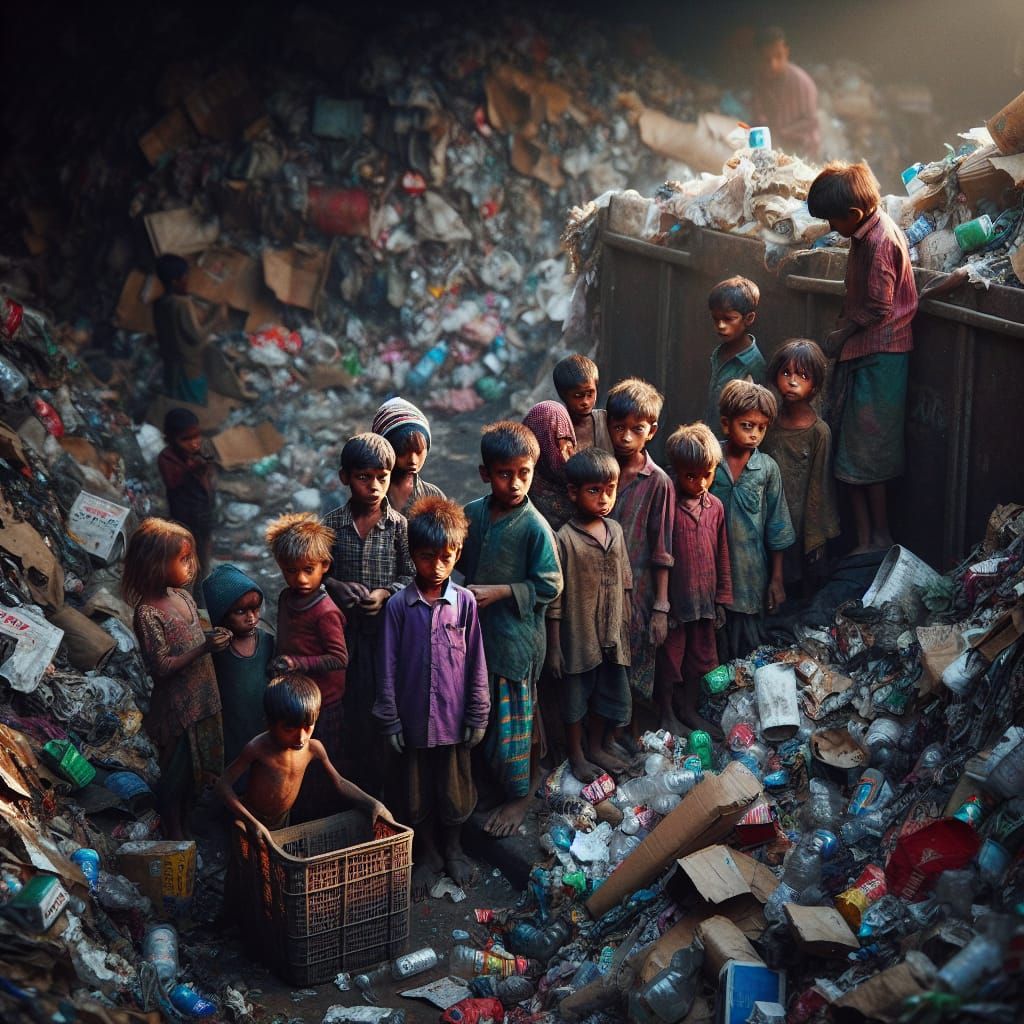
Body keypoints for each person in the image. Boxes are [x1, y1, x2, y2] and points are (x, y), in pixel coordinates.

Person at [374, 497, 489, 897]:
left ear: (457, 554)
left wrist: (478, 713)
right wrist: (389, 718)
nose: (437, 566)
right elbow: (386, 666)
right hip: (413, 722)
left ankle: (454, 849)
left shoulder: (466, 604)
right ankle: (428, 854)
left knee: (456, 791)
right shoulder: (397, 607)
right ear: (412, 556)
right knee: (415, 792)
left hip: (454, 720)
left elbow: (476, 661)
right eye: (427, 557)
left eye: (447, 557)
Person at [807, 161, 918, 555]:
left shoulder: (879, 240)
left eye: (833, 221)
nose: (831, 229)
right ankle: (865, 538)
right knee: (852, 448)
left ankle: (878, 539)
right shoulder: (864, 233)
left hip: (881, 355)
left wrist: (842, 333)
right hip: (866, 353)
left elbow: (877, 306)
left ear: (853, 215)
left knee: (869, 454)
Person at [459, 422, 562, 837]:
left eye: (524, 473)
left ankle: (522, 793)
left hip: (517, 643)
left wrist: (501, 591)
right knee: (482, 723)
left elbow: (551, 584)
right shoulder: (473, 514)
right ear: (485, 473)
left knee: (514, 726)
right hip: (477, 640)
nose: (516, 483)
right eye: (505, 474)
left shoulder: (534, 526)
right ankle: (492, 788)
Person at [321, 433, 414, 796]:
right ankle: (349, 785)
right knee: (349, 706)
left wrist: (384, 593)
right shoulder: (331, 525)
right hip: (342, 635)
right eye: (364, 477)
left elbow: (410, 576)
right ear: (345, 477)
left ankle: (384, 786)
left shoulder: (399, 528)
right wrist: (335, 586)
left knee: (385, 702)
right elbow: (316, 571)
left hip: (387, 636)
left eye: (382, 477)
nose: (374, 487)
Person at [124, 517, 227, 841]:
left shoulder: (182, 597)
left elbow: (193, 636)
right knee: (175, 778)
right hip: (178, 710)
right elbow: (162, 666)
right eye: (183, 560)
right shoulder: (148, 613)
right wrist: (203, 647)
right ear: (156, 565)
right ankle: (175, 833)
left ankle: (188, 823)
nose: (192, 566)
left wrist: (213, 639)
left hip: (205, 698)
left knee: (200, 774)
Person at [216, 673, 393, 841]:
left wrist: (374, 804)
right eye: (289, 729)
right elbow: (223, 785)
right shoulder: (257, 748)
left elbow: (339, 782)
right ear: (269, 723)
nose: (301, 738)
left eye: (308, 726)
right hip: (249, 819)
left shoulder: (313, 749)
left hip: (283, 821)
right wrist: (251, 822)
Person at [545, 448, 633, 781]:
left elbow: (625, 580)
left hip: (612, 631)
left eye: (609, 489)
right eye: (593, 490)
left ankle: (597, 746)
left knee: (607, 691)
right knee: (575, 697)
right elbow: (555, 596)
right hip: (578, 636)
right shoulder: (564, 538)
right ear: (573, 492)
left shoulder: (616, 531)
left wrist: (625, 623)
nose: (603, 498)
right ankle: (577, 754)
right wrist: (555, 647)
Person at [265, 512, 349, 815]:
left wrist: (297, 662)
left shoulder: (325, 611)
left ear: (324, 567)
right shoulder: (288, 598)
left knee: (322, 765)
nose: (300, 579)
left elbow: (340, 658)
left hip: (324, 705)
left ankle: (324, 817)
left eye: (308, 570)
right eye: (291, 570)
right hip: (296, 698)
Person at [605, 378, 674, 741]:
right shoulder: (600, 474)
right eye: (619, 428)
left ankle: (629, 736)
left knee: (633, 665)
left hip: (641, 593)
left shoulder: (658, 481)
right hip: (599, 589)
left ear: (652, 431)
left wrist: (661, 607)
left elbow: (662, 548)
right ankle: (604, 740)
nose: (626, 437)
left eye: (637, 429)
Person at [657, 423, 732, 740]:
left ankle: (688, 709)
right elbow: (658, 554)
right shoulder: (667, 503)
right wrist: (661, 607)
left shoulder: (715, 507)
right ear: (676, 470)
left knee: (698, 662)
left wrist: (721, 600)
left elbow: (722, 553)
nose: (700, 483)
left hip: (704, 604)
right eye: (691, 476)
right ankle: (665, 714)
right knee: (669, 663)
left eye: (708, 474)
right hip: (676, 606)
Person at [711, 380, 795, 660]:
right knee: (711, 644)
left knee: (748, 650)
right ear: (726, 424)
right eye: (747, 426)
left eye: (761, 427)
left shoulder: (767, 469)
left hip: (750, 576)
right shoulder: (708, 460)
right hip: (709, 573)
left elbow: (777, 526)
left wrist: (777, 579)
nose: (755, 434)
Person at [761, 339, 840, 595]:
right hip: (767, 515)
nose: (792, 381)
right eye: (786, 373)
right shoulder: (767, 422)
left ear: (815, 385)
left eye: (802, 376)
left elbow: (821, 488)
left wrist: (816, 537)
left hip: (800, 520)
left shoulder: (819, 432)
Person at [201, 564, 275, 768]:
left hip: (261, 720)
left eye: (256, 609)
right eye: (241, 611)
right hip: (231, 725)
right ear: (222, 615)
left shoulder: (268, 642)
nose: (251, 618)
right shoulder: (217, 649)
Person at [152, 254, 230, 405]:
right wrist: (216, 318)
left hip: (170, 367)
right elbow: (195, 336)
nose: (188, 279)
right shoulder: (182, 304)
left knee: (173, 406)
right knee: (191, 408)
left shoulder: (160, 303)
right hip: (187, 368)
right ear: (175, 281)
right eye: (185, 276)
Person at [157, 408, 216, 591]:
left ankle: (201, 589)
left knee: (204, 554)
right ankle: (187, 593)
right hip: (185, 517)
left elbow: (209, 475)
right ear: (170, 439)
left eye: (196, 437)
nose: (194, 443)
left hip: (203, 512)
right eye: (186, 439)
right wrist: (190, 468)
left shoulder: (199, 451)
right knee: (187, 558)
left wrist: (203, 467)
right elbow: (172, 481)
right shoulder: (167, 458)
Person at [705, 277, 767, 433]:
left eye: (728, 319)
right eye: (716, 319)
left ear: (749, 319)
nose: (720, 325)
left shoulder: (754, 364)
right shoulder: (719, 352)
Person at [751, 25, 821, 160]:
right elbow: (758, 113)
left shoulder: (802, 83)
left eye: (778, 56)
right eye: (767, 60)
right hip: (775, 149)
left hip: (803, 151)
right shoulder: (760, 80)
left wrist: (782, 133)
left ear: (786, 52)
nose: (773, 65)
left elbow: (812, 122)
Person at [371, 396, 445, 514]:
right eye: (402, 452)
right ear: (385, 451)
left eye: (419, 451)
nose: (413, 460)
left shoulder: (433, 496)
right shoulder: (370, 496)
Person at [522, 401, 577, 531]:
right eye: (555, 443)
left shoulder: (582, 473)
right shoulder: (523, 490)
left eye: (568, 440)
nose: (566, 453)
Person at [552, 353, 613, 453]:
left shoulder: (606, 421)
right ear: (563, 395)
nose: (585, 402)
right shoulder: (555, 428)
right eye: (577, 396)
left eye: (590, 393)